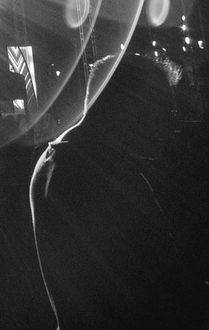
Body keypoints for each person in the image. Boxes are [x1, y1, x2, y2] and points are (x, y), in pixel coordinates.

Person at [31, 54, 202, 328]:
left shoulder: (67, 159)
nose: (169, 126)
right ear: (125, 107)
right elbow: (146, 289)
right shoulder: (94, 174)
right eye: (161, 110)